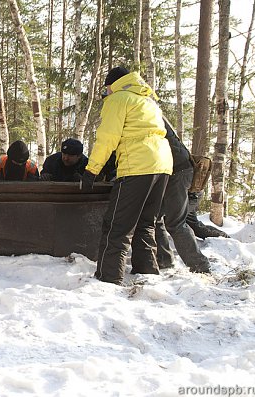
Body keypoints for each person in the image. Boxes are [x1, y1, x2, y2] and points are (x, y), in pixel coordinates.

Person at [81, 67, 173, 285]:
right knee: (145, 223)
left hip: (137, 165)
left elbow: (107, 138)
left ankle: (108, 278)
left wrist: (91, 169)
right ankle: (146, 272)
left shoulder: (118, 99)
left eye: (106, 88)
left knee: (117, 225)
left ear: (113, 84)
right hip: (162, 165)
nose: (105, 92)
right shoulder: (147, 101)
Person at [155, 118, 211, 273]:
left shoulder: (146, 112)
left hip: (178, 171)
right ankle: (165, 260)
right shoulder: (150, 109)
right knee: (155, 216)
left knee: (175, 223)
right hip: (175, 170)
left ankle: (200, 266)